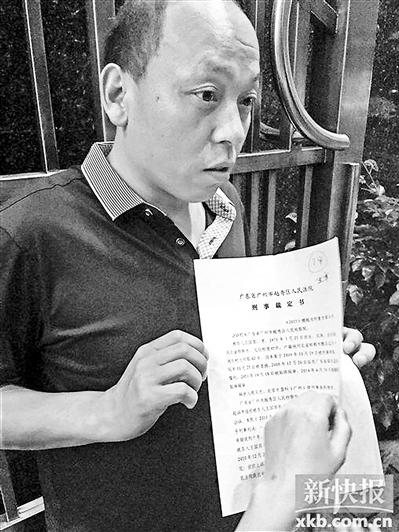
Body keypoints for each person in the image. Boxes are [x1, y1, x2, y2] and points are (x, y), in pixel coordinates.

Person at [0, 0, 375, 530]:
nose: (233, 131)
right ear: (118, 94)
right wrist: (107, 410)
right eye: (206, 95)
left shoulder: (227, 209)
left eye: (246, 101)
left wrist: (303, 354)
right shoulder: (30, 232)